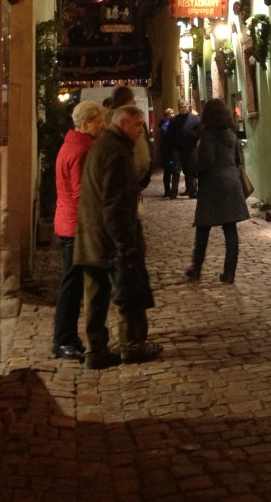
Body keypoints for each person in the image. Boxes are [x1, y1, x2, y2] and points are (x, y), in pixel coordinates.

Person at [74, 105, 163, 368]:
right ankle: (132, 345)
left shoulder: (102, 146)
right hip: (109, 238)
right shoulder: (117, 152)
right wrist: (126, 243)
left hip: (91, 235)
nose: (141, 131)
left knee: (95, 295)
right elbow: (114, 204)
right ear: (123, 124)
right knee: (128, 292)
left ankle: (95, 350)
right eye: (137, 125)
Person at [52, 100, 106, 361]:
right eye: (99, 121)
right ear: (85, 124)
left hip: (66, 222)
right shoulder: (82, 150)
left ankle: (68, 337)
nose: (103, 125)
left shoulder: (69, 145)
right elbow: (81, 192)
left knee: (72, 284)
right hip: (76, 225)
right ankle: (63, 340)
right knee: (72, 286)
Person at [185, 98, 249, 285]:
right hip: (231, 184)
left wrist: (193, 168)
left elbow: (206, 160)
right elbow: (238, 159)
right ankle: (229, 273)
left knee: (203, 229)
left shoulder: (208, 135)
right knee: (230, 230)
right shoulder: (231, 134)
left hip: (213, 186)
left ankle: (196, 269)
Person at [109, 85, 152, 187]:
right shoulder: (133, 119)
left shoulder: (105, 120)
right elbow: (143, 157)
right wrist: (142, 180)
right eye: (133, 100)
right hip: (130, 179)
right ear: (128, 101)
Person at [164, 99, 200, 198]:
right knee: (176, 171)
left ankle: (192, 190)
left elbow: (199, 132)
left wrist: (194, 140)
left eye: (185, 107)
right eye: (181, 107)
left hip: (191, 148)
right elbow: (169, 134)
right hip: (178, 149)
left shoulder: (195, 119)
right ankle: (174, 191)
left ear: (188, 107)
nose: (183, 109)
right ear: (178, 108)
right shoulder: (174, 120)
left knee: (190, 171)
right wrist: (172, 145)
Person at [159, 107, 176, 198]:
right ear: (166, 116)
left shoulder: (174, 124)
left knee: (174, 171)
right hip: (167, 151)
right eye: (169, 114)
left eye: (172, 113)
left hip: (173, 150)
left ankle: (173, 190)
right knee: (167, 172)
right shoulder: (165, 125)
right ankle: (167, 190)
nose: (171, 115)